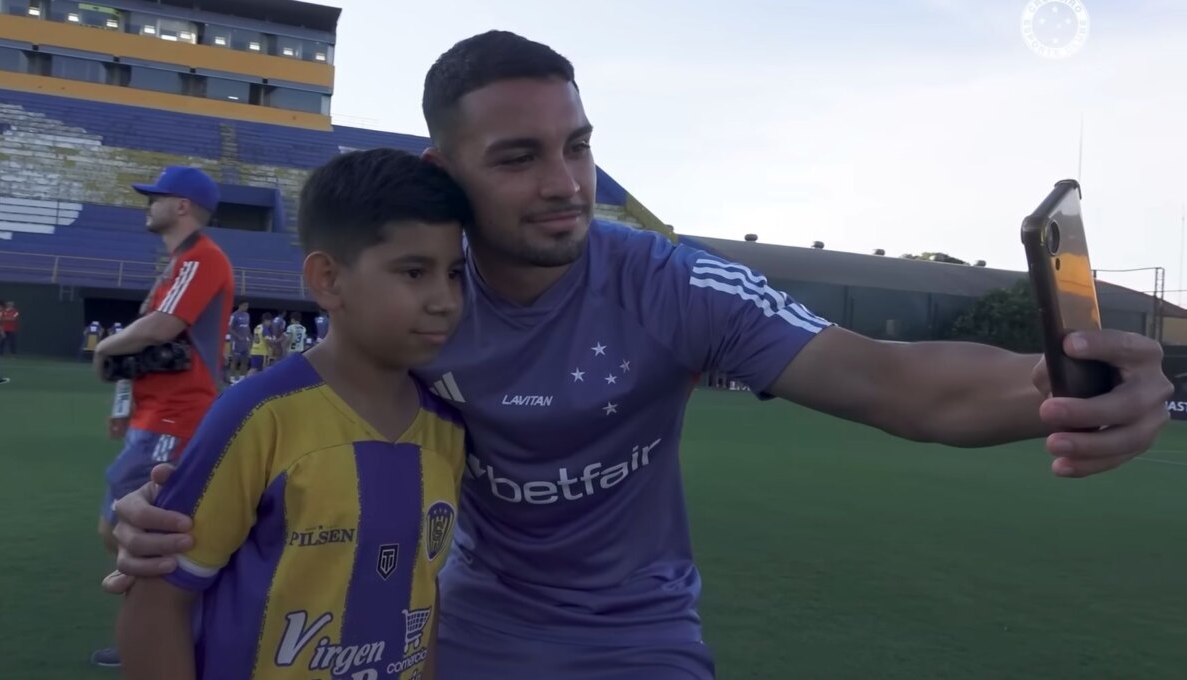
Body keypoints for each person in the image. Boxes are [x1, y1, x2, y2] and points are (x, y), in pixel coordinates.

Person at [107, 32, 1172, 679]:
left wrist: (1052, 387)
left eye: (577, 145)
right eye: (518, 157)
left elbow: (885, 376)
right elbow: (305, 424)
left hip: (638, 632)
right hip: (465, 631)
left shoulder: (666, 280)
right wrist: (166, 509)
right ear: (448, 167)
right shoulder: (419, 299)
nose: (564, 181)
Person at [115, 148, 471, 680]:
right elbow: (159, 600)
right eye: (415, 272)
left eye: (455, 273)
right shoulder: (257, 416)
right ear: (327, 279)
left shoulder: (448, 430)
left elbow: (426, 595)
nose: (444, 299)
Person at [89, 165, 235, 668]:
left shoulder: (201, 259)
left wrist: (103, 346)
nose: (147, 204)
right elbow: (146, 353)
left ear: (182, 207)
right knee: (131, 530)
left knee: (134, 531)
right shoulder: (175, 268)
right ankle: (161, 629)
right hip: (156, 417)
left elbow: (162, 327)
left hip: (178, 416)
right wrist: (122, 405)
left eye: (156, 197)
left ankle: (163, 636)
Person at [227, 301, 252, 383]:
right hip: (236, 342)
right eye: (245, 305)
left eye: (247, 306)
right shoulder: (234, 315)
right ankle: (232, 378)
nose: (246, 307)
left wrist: (249, 337)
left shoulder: (247, 315)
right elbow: (229, 328)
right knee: (235, 360)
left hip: (245, 342)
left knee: (245, 360)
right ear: (240, 305)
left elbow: (247, 327)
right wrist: (238, 336)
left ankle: (242, 378)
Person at [247, 312, 274, 377]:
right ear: (266, 320)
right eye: (270, 321)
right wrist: (272, 346)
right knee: (261, 369)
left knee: (255, 368)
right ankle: (246, 382)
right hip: (262, 352)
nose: (270, 324)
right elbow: (267, 340)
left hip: (255, 350)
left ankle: (248, 382)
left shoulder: (257, 327)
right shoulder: (265, 328)